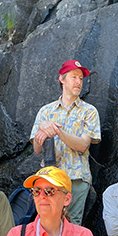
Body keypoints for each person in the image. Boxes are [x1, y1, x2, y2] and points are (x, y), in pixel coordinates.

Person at [30, 60, 101, 225]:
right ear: (62, 79)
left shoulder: (89, 111)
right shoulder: (46, 111)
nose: (78, 82)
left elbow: (83, 145)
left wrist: (56, 131)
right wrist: (42, 128)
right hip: (49, 180)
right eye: (74, 77)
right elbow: (37, 149)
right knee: (47, 221)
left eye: (81, 79)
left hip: (76, 178)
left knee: (72, 225)